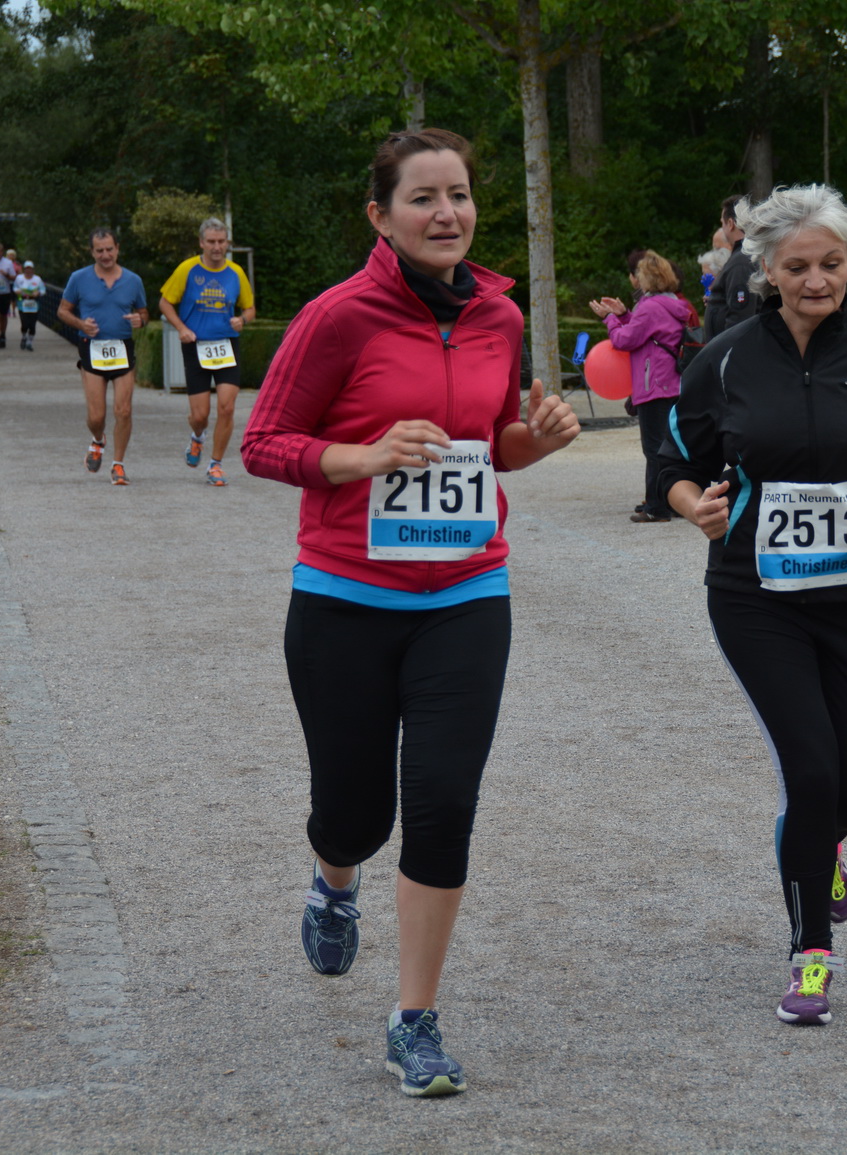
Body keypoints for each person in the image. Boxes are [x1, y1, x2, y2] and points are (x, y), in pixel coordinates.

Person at [240, 127, 578, 1098]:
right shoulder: (337, 317)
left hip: (467, 594)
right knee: (355, 812)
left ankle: (415, 1019)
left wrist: (535, 442)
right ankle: (333, 881)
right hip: (344, 599)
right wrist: (360, 456)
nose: (447, 214)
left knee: (442, 803)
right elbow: (266, 442)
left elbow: (485, 448)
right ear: (380, 216)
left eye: (460, 195)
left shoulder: (499, 318)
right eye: (424, 198)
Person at [658, 185, 847, 1027]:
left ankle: (817, 846)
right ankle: (810, 953)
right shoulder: (725, 360)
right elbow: (672, 461)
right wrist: (691, 505)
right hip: (758, 598)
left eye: (831, 264)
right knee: (812, 771)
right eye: (798, 266)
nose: (817, 279)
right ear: (766, 272)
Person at [588, 249, 690, 522]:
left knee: (654, 448)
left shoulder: (650, 306)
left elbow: (625, 340)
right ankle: (675, 502)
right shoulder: (672, 305)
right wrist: (623, 314)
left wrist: (609, 319)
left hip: (652, 384)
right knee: (671, 446)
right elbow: (642, 330)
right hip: (672, 383)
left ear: (649, 279)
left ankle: (656, 507)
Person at [160, 218, 256, 486]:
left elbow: (249, 308)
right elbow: (165, 302)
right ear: (202, 242)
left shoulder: (236, 272)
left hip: (226, 345)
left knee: (226, 406)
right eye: (211, 242)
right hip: (196, 346)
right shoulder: (188, 269)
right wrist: (181, 327)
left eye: (221, 242)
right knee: (200, 415)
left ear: (227, 243)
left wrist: (242, 320)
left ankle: (215, 464)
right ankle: (197, 437)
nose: (217, 247)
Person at [57, 229, 148, 484]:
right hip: (92, 349)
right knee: (97, 416)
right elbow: (63, 311)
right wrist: (80, 324)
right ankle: (98, 440)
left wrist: (140, 320)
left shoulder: (133, 280)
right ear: (92, 252)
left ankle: (118, 464)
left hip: (122, 350)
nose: (105, 255)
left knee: (124, 410)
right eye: (100, 250)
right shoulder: (79, 278)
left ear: (117, 248)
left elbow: (144, 313)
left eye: (109, 249)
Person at [703, 193, 759, 340]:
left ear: (730, 223)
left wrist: (726, 352)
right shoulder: (743, 257)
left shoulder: (741, 262)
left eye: (722, 223)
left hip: (731, 354)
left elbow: (740, 317)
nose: (722, 227)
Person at [13, 260, 45, 351]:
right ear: (24, 269)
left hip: (34, 305)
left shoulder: (37, 279)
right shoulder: (19, 278)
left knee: (32, 324)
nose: (28, 271)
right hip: (22, 304)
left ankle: (29, 342)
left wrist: (38, 292)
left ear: (33, 270)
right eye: (27, 269)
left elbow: (43, 290)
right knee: (24, 323)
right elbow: (14, 287)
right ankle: (24, 336)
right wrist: (17, 291)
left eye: (30, 269)